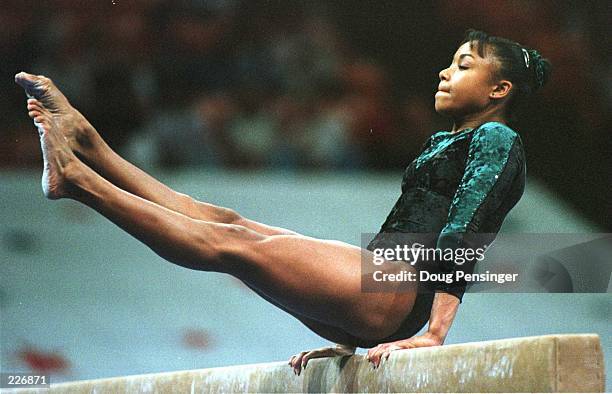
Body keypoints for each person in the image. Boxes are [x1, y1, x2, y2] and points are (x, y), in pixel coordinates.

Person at [15, 28, 550, 375]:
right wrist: (349, 338)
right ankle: (92, 146)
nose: (444, 72)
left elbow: (466, 233)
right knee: (227, 222)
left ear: (499, 90)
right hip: (376, 297)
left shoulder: (497, 141)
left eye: (461, 65)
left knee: (229, 243)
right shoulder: (449, 140)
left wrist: (434, 333)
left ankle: (80, 181)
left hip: (391, 293)